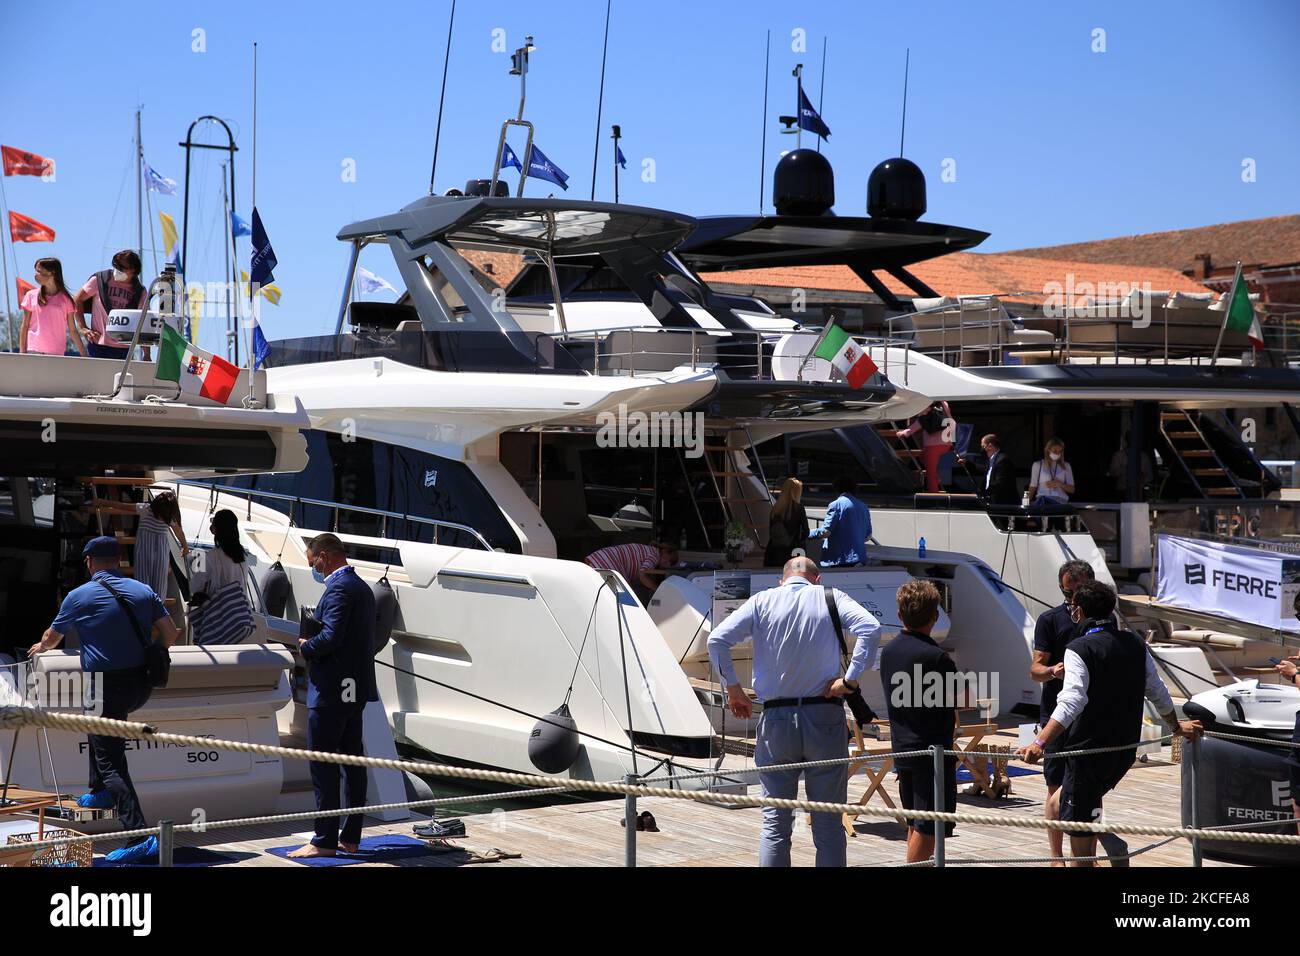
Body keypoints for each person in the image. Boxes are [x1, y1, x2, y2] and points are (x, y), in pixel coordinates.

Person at [708, 556, 881, 867]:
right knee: (828, 823)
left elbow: (717, 640)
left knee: (775, 824)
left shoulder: (762, 601)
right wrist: (850, 679)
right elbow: (870, 628)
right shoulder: (831, 596)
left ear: (782, 580)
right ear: (816, 579)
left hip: (777, 719)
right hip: (823, 716)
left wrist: (733, 689)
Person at [1018, 581, 1202, 866]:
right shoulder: (1135, 643)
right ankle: (1098, 845)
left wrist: (1039, 742)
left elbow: (1071, 702)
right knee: (1057, 804)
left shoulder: (1078, 648)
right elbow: (1157, 691)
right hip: (1123, 752)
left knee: (1081, 850)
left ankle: (1108, 851)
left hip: (1088, 754)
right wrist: (1176, 727)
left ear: (1078, 612)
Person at [27, 536, 179, 864]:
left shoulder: (78, 596)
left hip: (103, 686)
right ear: (119, 560)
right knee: (97, 732)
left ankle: (139, 835)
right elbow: (171, 633)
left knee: (110, 759)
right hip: (141, 685)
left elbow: (53, 638)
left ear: (90, 562)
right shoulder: (143, 590)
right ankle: (98, 790)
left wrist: (42, 646)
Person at [288, 533, 379, 859]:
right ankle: (350, 836)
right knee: (352, 763)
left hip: (332, 692)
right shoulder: (363, 588)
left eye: (313, 561)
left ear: (324, 555)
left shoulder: (340, 588)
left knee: (323, 765)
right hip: (354, 690)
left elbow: (330, 637)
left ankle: (324, 839)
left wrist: (304, 647)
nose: (313, 567)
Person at [880, 579, 960, 864]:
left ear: (900, 615)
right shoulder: (937, 658)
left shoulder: (888, 653)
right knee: (929, 829)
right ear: (935, 616)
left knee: (915, 824)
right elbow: (952, 705)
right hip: (932, 755)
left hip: (903, 749)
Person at [1029, 559, 1094, 865]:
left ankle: (1085, 854)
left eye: (1076, 593)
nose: (1071, 601)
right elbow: (1035, 669)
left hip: (1089, 715)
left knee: (1089, 787)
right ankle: (1057, 856)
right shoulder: (1050, 620)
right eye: (1066, 593)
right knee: (1055, 787)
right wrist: (1053, 671)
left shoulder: (1099, 622)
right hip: (1056, 714)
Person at [93, 491, 187, 601]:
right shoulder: (156, 512)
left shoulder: (149, 510)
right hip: (154, 550)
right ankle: (153, 604)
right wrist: (185, 546)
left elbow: (122, 505)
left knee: (149, 580)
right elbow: (179, 532)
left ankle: (149, 603)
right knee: (153, 581)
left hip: (148, 549)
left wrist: (185, 546)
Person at [189, 509, 254, 644]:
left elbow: (195, 586)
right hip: (240, 618)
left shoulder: (209, 557)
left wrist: (194, 561)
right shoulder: (242, 556)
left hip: (220, 619)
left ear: (217, 531)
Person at [73, 249, 147, 359]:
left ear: (134, 271)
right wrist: (83, 328)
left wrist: (147, 354)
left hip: (125, 349)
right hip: (98, 345)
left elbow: (143, 322)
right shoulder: (100, 280)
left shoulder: (140, 292)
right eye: (115, 266)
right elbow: (77, 300)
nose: (117, 270)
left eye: (122, 268)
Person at [19, 257, 81, 355]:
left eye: (39, 271)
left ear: (52, 273)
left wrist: (84, 354)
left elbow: (73, 330)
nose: (35, 275)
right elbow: (25, 325)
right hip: (33, 351)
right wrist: (22, 353)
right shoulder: (30, 295)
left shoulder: (66, 300)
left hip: (56, 353)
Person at [811, 475, 871, 568]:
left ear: (836, 488)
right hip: (860, 559)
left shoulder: (836, 505)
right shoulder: (863, 506)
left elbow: (826, 532)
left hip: (840, 559)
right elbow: (868, 536)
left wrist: (807, 532)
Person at [896, 400, 954, 494]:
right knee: (922, 457)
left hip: (933, 444)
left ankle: (934, 496)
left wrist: (905, 432)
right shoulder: (943, 403)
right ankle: (936, 478)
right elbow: (950, 420)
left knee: (930, 473)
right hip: (946, 442)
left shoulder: (925, 403)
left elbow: (920, 422)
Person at [583, 540, 679, 597]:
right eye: (668, 560)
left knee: (612, 594)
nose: (666, 563)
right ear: (665, 551)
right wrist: (658, 590)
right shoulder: (655, 555)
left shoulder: (650, 550)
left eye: (669, 563)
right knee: (627, 596)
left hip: (600, 557)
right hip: (609, 561)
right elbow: (643, 574)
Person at [957, 433, 1018, 507]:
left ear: (990, 446)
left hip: (1002, 503)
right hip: (992, 501)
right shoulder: (993, 459)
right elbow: (985, 469)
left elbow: (999, 483)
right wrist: (967, 463)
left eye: (983, 446)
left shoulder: (1002, 460)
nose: (982, 449)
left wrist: (983, 493)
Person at [764, 477, 809, 567]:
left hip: (774, 551)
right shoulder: (798, 508)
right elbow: (806, 532)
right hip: (794, 550)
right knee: (795, 576)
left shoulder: (776, 508)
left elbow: (771, 530)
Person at [1107, 431, 1153, 501]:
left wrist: (1142, 478)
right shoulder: (1118, 456)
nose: (1132, 440)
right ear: (1126, 439)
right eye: (1130, 438)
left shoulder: (1144, 457)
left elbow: (1149, 477)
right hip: (1122, 492)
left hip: (1139, 492)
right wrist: (1128, 468)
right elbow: (1113, 472)